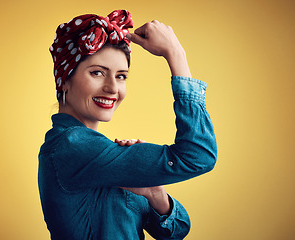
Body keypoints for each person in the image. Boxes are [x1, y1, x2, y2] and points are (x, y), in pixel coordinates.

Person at [38, 9, 217, 240]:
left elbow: (177, 230)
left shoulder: (103, 155)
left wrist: (155, 193)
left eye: (121, 76)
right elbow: (198, 155)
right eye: (97, 73)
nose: (112, 88)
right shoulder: (71, 146)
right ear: (64, 81)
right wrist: (176, 55)